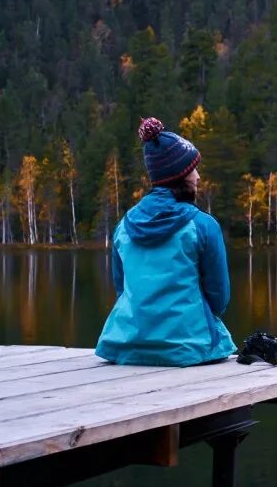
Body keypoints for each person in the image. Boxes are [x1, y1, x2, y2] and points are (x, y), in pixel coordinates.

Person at [95, 117, 237, 367]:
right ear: (181, 175)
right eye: (194, 169)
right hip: (190, 348)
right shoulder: (203, 226)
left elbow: (122, 290)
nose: (198, 176)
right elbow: (219, 298)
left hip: (126, 345)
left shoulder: (123, 228)